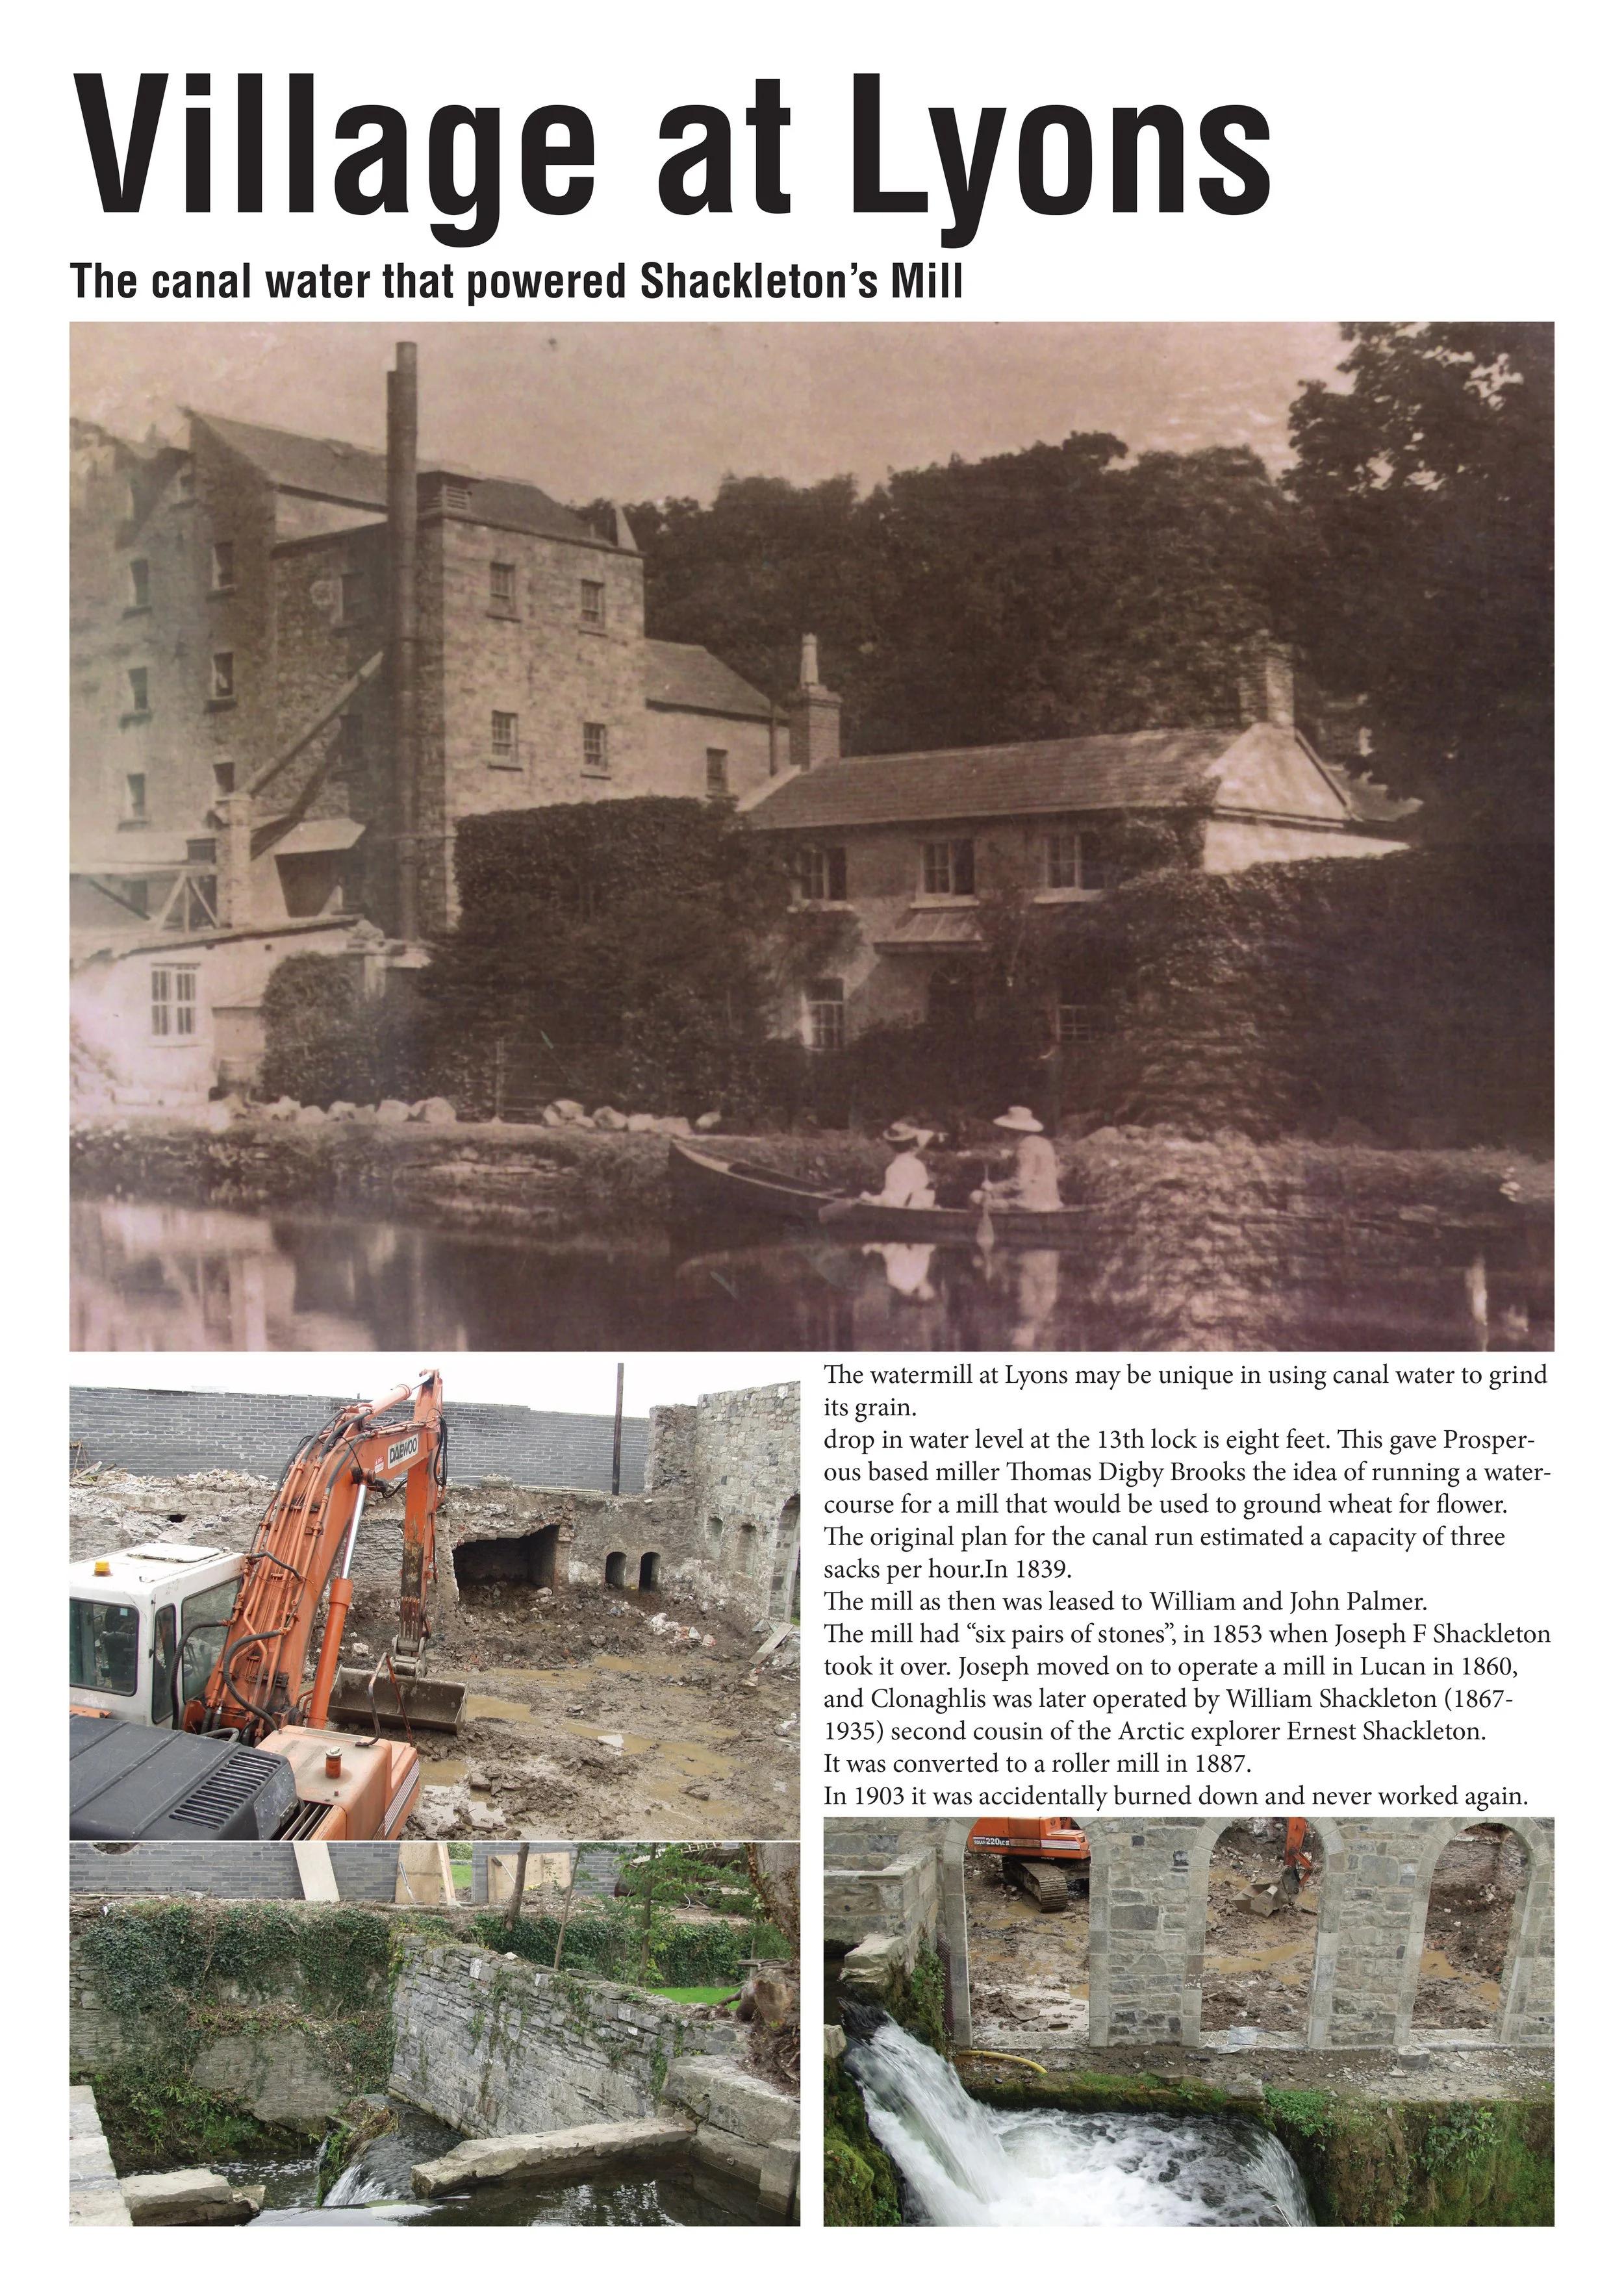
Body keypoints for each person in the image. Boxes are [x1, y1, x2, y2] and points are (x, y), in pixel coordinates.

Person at [974, 1105, 1061, 1211]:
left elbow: (1019, 1183)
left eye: (1006, 1131)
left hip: (1030, 1203)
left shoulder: (1024, 1148)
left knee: (976, 1197)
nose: (1005, 1135)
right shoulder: (1045, 1143)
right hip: (1052, 1201)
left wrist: (992, 1188)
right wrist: (1013, 1156)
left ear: (1014, 1132)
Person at [862, 1120, 937, 1209]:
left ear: (891, 1146)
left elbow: (896, 1201)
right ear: (911, 1144)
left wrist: (871, 1199)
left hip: (904, 1211)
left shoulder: (895, 1168)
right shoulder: (918, 1165)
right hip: (919, 1210)